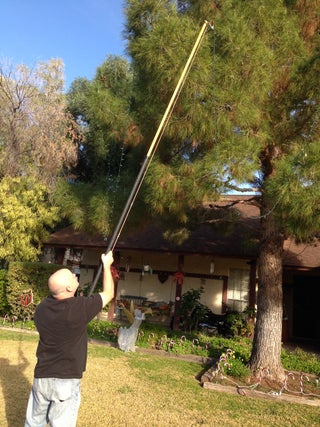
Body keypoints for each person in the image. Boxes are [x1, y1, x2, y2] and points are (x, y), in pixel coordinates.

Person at [24, 251, 114, 427]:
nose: (74, 275)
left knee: (33, 424)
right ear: (68, 288)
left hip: (42, 377)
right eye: (71, 276)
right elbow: (109, 293)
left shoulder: (41, 309)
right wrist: (107, 265)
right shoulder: (80, 308)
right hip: (66, 380)